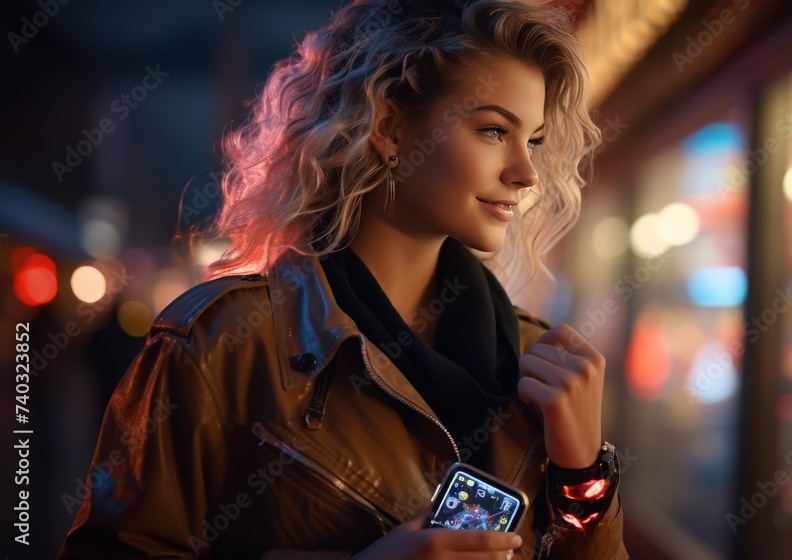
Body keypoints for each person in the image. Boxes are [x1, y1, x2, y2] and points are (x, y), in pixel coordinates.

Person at [59, 0, 627, 558]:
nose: (526, 173)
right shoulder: (220, 343)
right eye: (493, 131)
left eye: (533, 140)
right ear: (389, 125)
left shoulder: (538, 360)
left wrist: (585, 477)